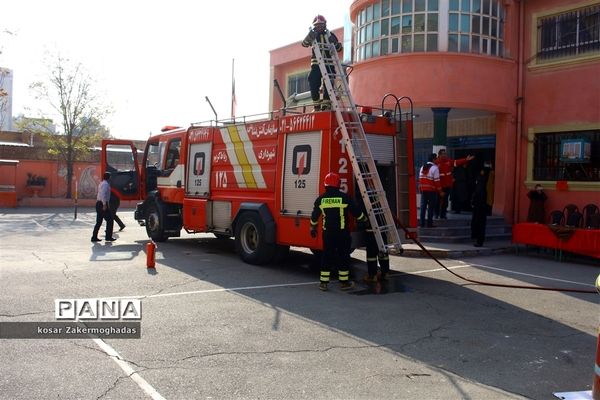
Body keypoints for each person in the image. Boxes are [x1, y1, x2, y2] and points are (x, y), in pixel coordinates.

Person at [310, 172, 366, 291]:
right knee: (343, 256)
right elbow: (356, 213)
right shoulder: (345, 198)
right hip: (342, 234)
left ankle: (323, 283)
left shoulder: (321, 200)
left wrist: (313, 228)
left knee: (326, 256)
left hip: (328, 234)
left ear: (325, 185)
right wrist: (364, 219)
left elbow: (314, 217)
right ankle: (344, 283)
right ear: (338, 184)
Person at [301, 15, 342, 111]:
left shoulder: (330, 35)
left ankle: (326, 104)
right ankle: (316, 105)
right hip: (316, 64)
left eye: (321, 25)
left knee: (329, 83)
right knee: (313, 81)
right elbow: (304, 44)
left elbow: (339, 48)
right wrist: (309, 37)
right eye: (317, 25)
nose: (319, 27)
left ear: (325, 25)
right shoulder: (313, 35)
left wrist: (334, 43)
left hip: (329, 64)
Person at [435, 149, 474, 219]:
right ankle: (436, 214)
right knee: (437, 201)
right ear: (439, 155)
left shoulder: (448, 161)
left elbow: (457, 162)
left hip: (447, 186)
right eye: (443, 154)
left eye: (445, 154)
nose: (445, 155)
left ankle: (442, 215)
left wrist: (466, 159)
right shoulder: (436, 163)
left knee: (445, 201)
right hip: (439, 186)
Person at [470, 162, 492, 247]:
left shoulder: (484, 179)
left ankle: (479, 240)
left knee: (480, 222)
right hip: (480, 203)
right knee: (478, 221)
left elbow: (479, 192)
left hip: (481, 204)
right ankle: (477, 237)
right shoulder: (484, 179)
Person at [419, 153, 443, 228]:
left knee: (423, 207)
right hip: (432, 191)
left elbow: (420, 179)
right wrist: (440, 191)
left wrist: (421, 189)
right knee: (431, 208)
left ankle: (422, 224)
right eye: (436, 158)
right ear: (433, 160)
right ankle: (429, 224)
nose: (437, 160)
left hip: (423, 190)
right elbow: (437, 181)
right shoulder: (435, 168)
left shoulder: (422, 167)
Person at [91, 172, 116, 242]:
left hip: (99, 203)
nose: (111, 178)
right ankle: (108, 237)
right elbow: (103, 195)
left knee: (99, 222)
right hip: (102, 204)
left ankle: (94, 237)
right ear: (108, 177)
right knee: (110, 220)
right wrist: (104, 204)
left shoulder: (102, 183)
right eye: (110, 177)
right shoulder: (106, 185)